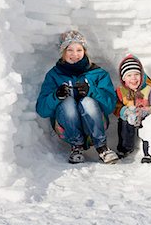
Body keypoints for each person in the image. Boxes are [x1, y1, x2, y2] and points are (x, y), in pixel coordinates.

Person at [36, 30, 119, 164]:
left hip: (96, 124)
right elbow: (42, 110)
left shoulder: (98, 73)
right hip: (67, 128)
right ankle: (76, 147)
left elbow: (110, 106)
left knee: (88, 102)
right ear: (63, 52)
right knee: (67, 103)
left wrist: (92, 91)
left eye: (79, 50)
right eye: (70, 50)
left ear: (85, 51)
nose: (75, 54)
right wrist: (56, 96)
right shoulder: (54, 75)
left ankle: (102, 147)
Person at [114, 54, 151, 163]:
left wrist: (147, 112)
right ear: (123, 78)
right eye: (129, 75)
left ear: (142, 75)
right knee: (123, 122)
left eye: (136, 74)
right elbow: (116, 107)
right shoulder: (120, 91)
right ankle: (125, 148)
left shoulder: (149, 89)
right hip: (130, 116)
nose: (133, 78)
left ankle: (149, 152)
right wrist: (124, 112)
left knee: (149, 125)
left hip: (145, 116)